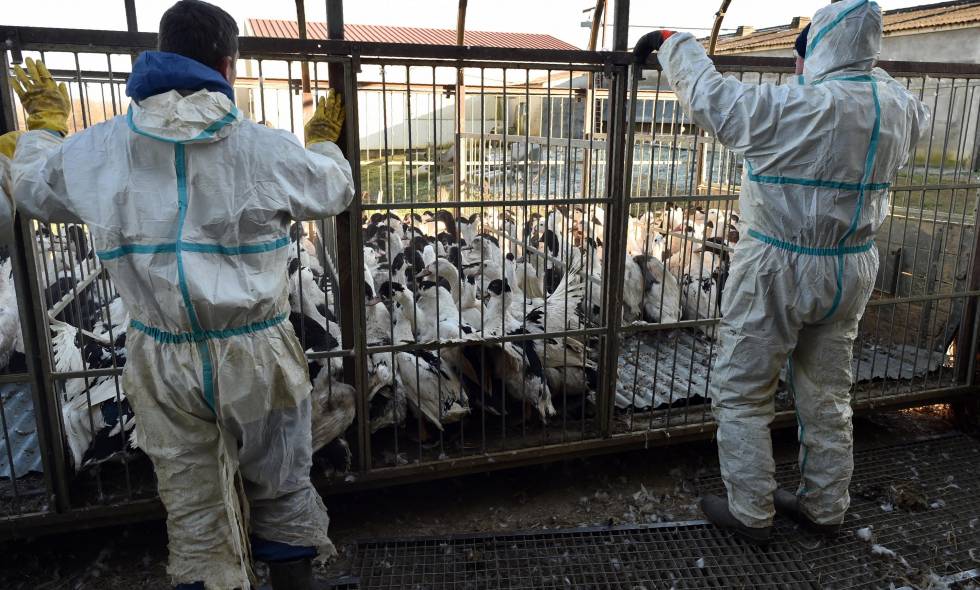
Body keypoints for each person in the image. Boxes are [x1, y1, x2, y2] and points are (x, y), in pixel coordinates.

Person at [7, 1, 354, 587]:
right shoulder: (263, 147)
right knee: (281, 483)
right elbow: (335, 188)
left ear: (160, 55)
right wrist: (319, 141)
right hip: (256, 354)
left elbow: (32, 190)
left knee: (194, 504)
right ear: (228, 64)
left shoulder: (99, 149)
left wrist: (43, 127)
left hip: (162, 357)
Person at [634, 0, 929, 545]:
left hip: (778, 268)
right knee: (827, 392)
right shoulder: (900, 107)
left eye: (805, 51)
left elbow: (714, 99)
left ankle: (751, 510)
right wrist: (860, 63)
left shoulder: (800, 107)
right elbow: (875, 82)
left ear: (822, 50)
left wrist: (673, 42)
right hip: (851, 267)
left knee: (743, 389)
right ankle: (825, 506)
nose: (798, 65)